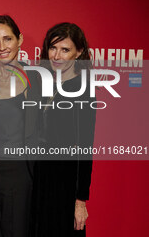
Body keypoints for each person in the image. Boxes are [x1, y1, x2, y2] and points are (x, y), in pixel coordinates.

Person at [0, 15, 40, 237]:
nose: (1, 47)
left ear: (19, 39)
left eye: (7, 39)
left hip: (19, 172)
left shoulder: (37, 78)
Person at [31, 23, 96, 237]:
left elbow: (86, 146)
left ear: (79, 52)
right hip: (38, 179)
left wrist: (80, 200)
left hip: (64, 183)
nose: (56, 55)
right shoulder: (42, 82)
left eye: (65, 50)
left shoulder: (84, 89)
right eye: (53, 48)